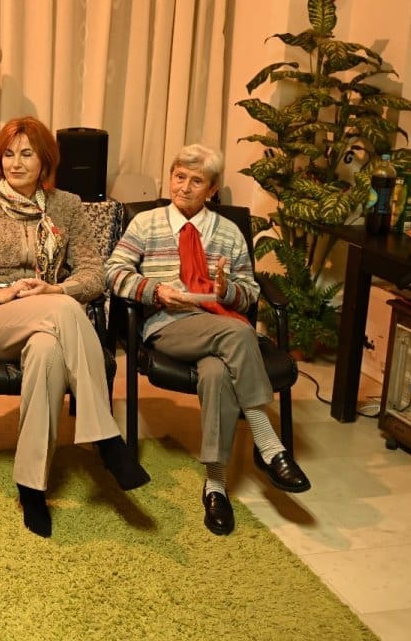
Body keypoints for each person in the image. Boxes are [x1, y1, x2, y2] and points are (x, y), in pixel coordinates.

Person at [0, 116, 148, 538]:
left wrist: (55, 288)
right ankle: (106, 439)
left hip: (48, 318)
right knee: (64, 311)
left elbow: (94, 275)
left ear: (45, 160)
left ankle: (31, 486)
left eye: (27, 154)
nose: (15, 163)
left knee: (48, 348)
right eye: (8, 155)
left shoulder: (66, 205)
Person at [103, 143, 311, 536]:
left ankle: (215, 485)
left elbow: (249, 293)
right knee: (240, 332)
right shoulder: (146, 224)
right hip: (169, 324)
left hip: (217, 322)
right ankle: (269, 444)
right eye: (179, 176)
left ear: (212, 189)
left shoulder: (228, 232)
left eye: (196, 181)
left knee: (216, 372)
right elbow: (113, 271)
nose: (183, 187)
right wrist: (156, 291)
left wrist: (227, 290)